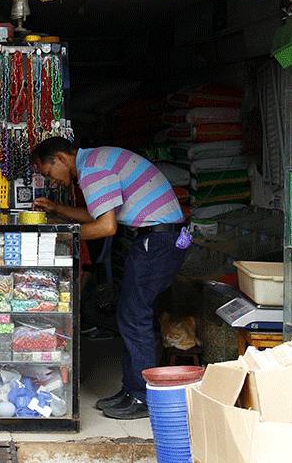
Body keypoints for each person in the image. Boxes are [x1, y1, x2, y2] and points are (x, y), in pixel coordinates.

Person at [31, 136, 187, 420]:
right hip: (159, 239)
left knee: (134, 317)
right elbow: (96, 215)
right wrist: (57, 210)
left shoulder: (92, 170)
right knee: (130, 316)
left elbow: (105, 227)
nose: (51, 180)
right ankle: (131, 390)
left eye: (49, 173)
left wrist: (61, 235)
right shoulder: (97, 161)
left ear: (62, 159)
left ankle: (142, 396)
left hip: (158, 241)